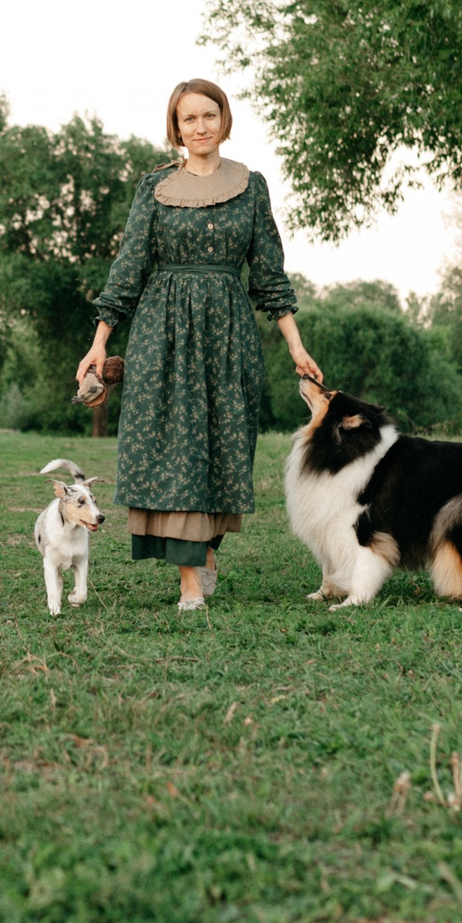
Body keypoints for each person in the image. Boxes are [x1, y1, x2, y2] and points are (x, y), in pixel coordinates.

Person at [77, 80, 322, 610]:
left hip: (230, 334)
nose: (200, 127)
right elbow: (128, 269)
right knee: (176, 447)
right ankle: (190, 578)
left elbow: (270, 275)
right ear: (176, 128)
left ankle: (205, 549)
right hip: (162, 332)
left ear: (224, 120)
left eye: (209, 115)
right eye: (189, 119)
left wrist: (296, 347)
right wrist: (100, 343)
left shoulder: (252, 186)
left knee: (220, 446)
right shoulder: (154, 189)